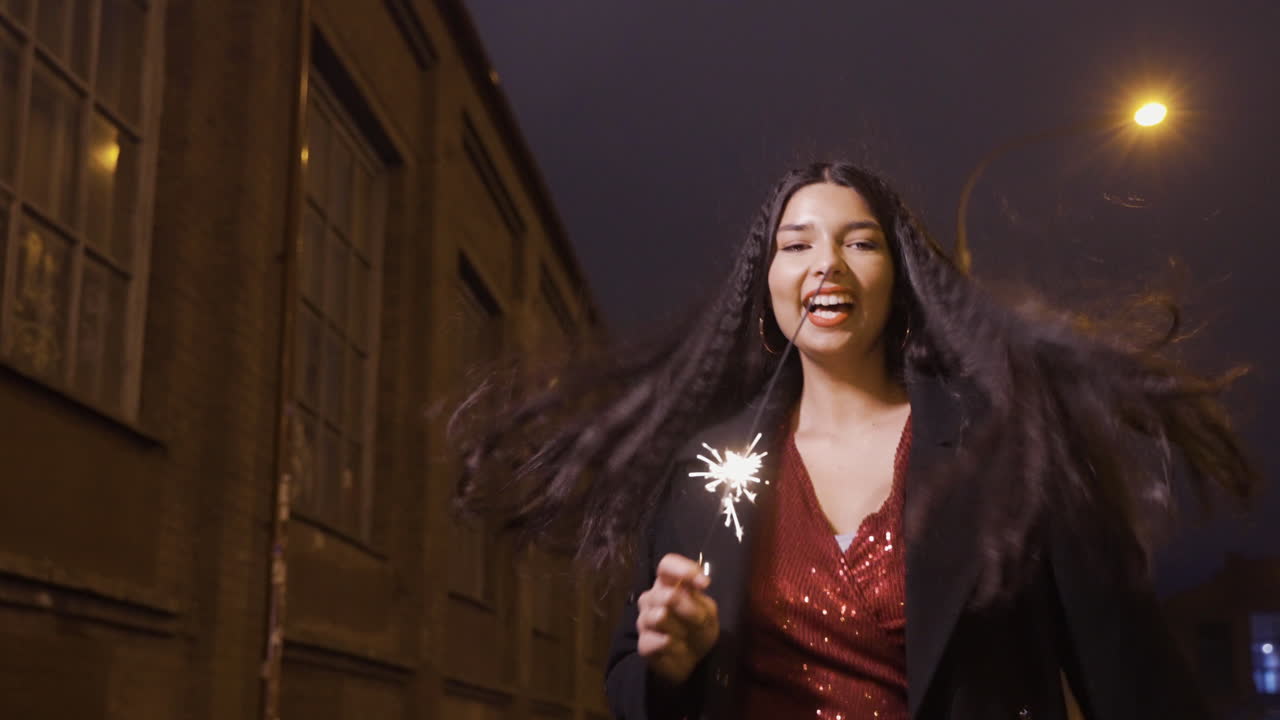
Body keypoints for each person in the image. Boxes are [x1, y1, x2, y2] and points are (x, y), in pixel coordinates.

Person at [453, 162, 1258, 720]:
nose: (826, 264)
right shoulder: (708, 468)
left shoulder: (1006, 443)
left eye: (860, 241)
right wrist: (672, 662)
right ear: (764, 282)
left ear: (897, 277)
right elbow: (629, 686)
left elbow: (1134, 683)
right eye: (796, 244)